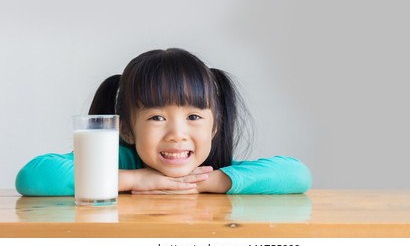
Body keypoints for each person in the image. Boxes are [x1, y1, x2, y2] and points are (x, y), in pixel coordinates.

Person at [15, 48, 312, 195]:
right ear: (128, 129)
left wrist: (207, 182)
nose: (177, 134)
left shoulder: (214, 168)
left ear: (215, 126)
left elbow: (296, 174)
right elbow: (34, 176)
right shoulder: (118, 160)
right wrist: (138, 179)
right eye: (157, 117)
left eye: (194, 117)